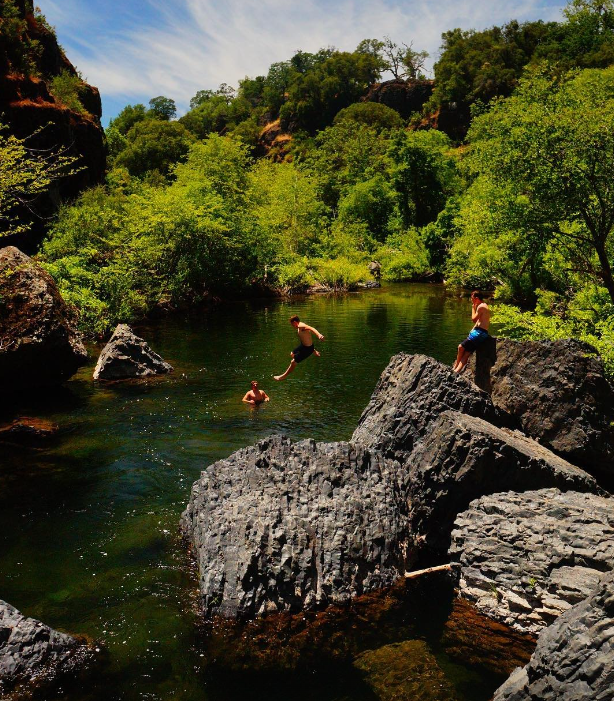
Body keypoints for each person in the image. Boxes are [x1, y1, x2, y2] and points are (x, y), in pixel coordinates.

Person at [274, 315, 324, 381]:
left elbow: (311, 328)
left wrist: (319, 335)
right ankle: (313, 351)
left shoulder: (301, 326)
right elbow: (305, 340)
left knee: (293, 362)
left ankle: (283, 376)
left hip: (308, 349)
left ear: (295, 322)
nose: (292, 326)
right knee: (292, 354)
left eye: (292, 324)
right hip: (303, 346)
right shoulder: (299, 326)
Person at [453, 290, 491, 373]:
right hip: (481, 332)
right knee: (466, 353)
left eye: (472, 298)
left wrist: (473, 308)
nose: (471, 300)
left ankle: (455, 367)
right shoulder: (484, 305)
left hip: (479, 333)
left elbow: (474, 319)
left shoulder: (481, 306)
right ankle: (456, 370)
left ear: (476, 298)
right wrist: (473, 329)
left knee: (460, 347)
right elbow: (479, 321)